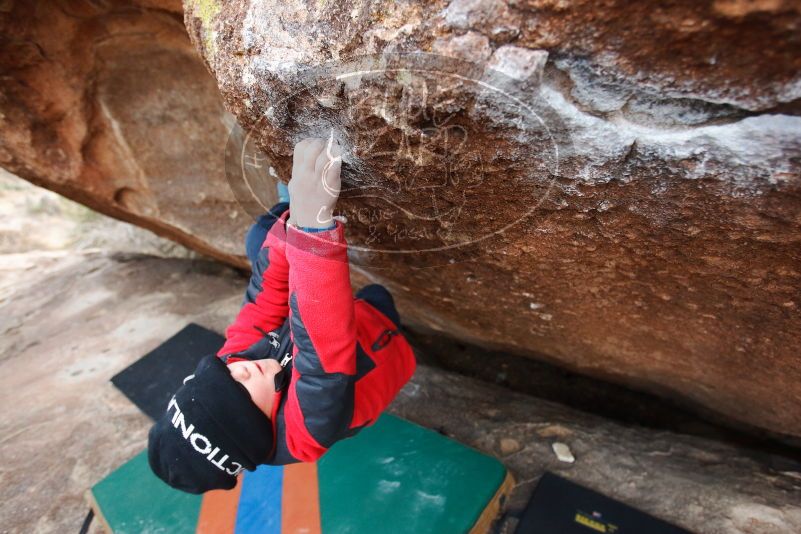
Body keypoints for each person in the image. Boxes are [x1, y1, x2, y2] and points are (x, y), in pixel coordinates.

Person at [147, 136, 416, 493]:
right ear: (253, 431)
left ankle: (292, 185)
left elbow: (261, 302)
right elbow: (322, 347)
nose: (237, 369)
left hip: (321, 322)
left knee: (263, 236)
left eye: (217, 376)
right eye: (236, 393)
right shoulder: (307, 432)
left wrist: (293, 224)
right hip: (378, 341)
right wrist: (313, 230)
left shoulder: (236, 366)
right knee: (378, 297)